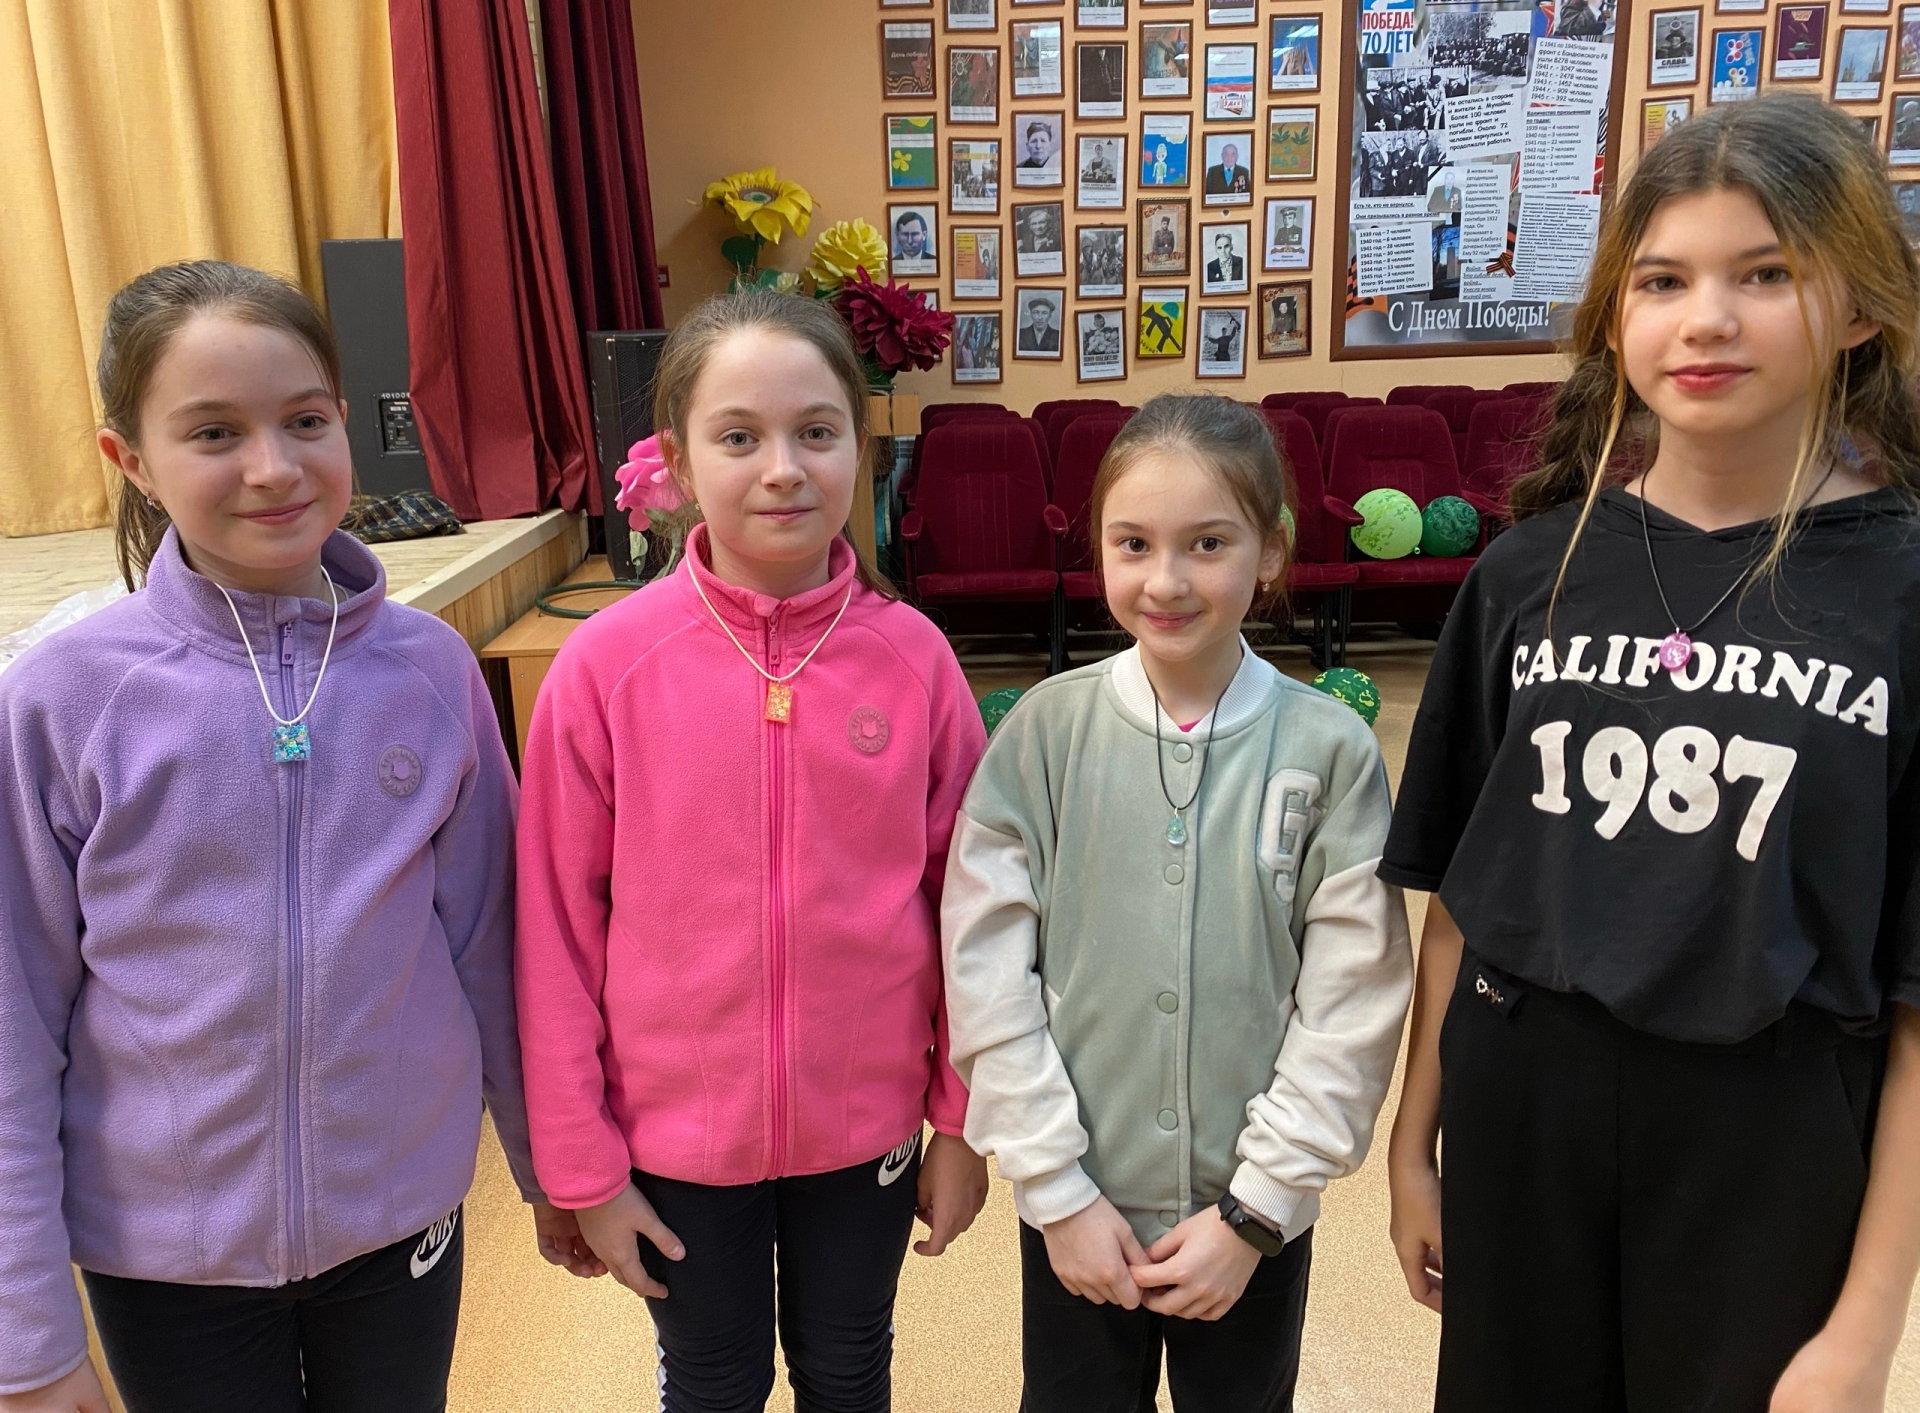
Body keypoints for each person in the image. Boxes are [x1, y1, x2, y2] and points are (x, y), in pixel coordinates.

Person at [1383, 94, 1920, 1413]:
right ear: (1616, 314)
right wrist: (1410, 1144)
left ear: (1861, 306)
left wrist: (1866, 1329)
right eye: (1664, 280)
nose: (1707, 320)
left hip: (1769, 1128)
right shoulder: (1527, 574)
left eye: (1767, 275)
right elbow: (1462, 902)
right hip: (1524, 1104)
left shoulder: (1901, 591)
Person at [0, 260, 552, 1413]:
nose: (272, 466)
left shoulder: (432, 673)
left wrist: (553, 1173)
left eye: (304, 420)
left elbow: (494, 951)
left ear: (344, 421)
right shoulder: (61, 699)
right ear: (130, 460)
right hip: (165, 1259)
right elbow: (14, 1022)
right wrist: (28, 1338)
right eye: (214, 432)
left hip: (398, 1220)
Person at [516, 292, 990, 1413]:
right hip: (675, 1137)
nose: (783, 469)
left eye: (816, 432)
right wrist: (581, 1165)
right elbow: (554, 933)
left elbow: (974, 910)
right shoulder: (606, 668)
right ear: (678, 459)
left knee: (850, 1370)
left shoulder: (916, 660)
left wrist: (964, 1121)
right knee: (711, 1382)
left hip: (866, 1122)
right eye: (739, 437)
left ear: (859, 448)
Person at [943, 394, 1412, 1412]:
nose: (1166, 580)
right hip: (1079, 1209)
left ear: (1270, 551)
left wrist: (1258, 1209)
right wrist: (1056, 1189)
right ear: (1099, 550)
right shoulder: (1042, 738)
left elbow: (1354, 1000)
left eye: (1207, 543)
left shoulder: (1330, 750)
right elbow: (986, 973)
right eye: (1134, 544)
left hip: (1248, 1226)